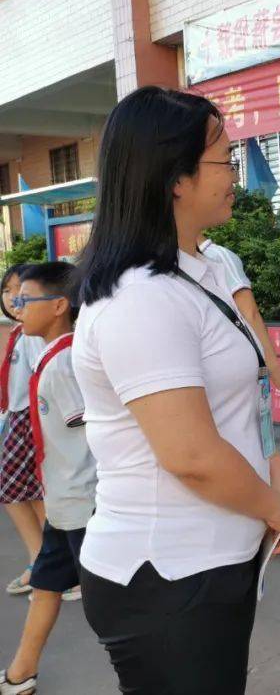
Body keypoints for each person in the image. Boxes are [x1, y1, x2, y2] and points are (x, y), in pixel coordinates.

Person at [72, 86, 280, 694]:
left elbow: (234, 402)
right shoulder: (141, 297)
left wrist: (273, 467)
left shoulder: (195, 272)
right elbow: (191, 455)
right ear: (175, 178)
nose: (234, 176)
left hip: (206, 564)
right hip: (167, 575)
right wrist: (276, 509)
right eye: (224, 162)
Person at [1, 261, 94, 695]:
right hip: (62, 503)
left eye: (25, 299)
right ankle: (21, 673)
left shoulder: (64, 363)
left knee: (112, 608)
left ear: (59, 305)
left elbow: (91, 433)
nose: (17, 307)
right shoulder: (52, 356)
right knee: (46, 585)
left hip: (82, 504)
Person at [198, 235, 280, 397]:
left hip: (235, 370)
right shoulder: (178, 261)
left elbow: (249, 312)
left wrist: (274, 369)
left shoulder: (218, 256)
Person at [0, 264, 46, 599]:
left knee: (33, 493)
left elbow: (44, 381)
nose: (14, 296)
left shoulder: (31, 336)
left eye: (22, 289)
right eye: (7, 289)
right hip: (16, 417)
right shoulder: (18, 334)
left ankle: (54, 564)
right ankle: (43, 560)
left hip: (30, 419)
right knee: (22, 492)